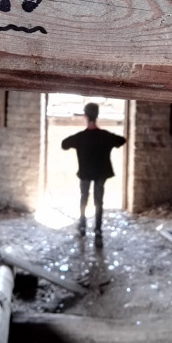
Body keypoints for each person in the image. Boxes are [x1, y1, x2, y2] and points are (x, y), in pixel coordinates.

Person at [61, 102, 126, 247]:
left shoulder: (80, 137)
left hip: (85, 173)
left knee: (84, 198)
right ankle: (98, 231)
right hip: (100, 173)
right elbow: (121, 140)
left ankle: (82, 226)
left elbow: (64, 144)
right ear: (97, 115)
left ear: (85, 116)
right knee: (98, 202)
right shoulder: (105, 136)